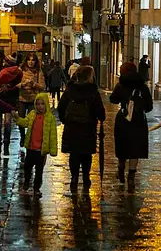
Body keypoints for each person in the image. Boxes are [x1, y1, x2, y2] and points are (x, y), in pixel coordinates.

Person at [58, 65, 106, 194]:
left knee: (74, 154)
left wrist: (66, 120)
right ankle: (85, 177)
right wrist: (99, 117)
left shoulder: (70, 90)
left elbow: (61, 107)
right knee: (86, 154)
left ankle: (74, 178)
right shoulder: (92, 91)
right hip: (87, 127)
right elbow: (100, 112)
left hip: (72, 126)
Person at [110, 62, 153, 187]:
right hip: (139, 120)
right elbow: (149, 106)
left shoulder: (120, 85)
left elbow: (113, 99)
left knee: (122, 147)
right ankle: (131, 177)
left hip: (123, 119)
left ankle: (121, 169)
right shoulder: (143, 87)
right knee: (136, 149)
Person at [13, 93, 58, 196]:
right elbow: (25, 123)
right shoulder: (32, 114)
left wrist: (52, 150)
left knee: (39, 171)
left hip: (41, 150)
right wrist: (17, 119)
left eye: (42, 104)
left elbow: (53, 135)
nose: (40, 106)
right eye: (37, 104)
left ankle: (36, 188)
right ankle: (26, 185)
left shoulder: (49, 118)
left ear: (46, 104)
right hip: (31, 148)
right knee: (27, 168)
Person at [17, 53, 46, 159]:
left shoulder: (39, 72)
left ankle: (29, 140)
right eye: (29, 60)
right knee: (20, 119)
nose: (30, 62)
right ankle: (22, 136)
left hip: (33, 100)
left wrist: (34, 84)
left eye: (33, 60)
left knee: (31, 121)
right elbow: (15, 84)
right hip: (22, 99)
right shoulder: (21, 71)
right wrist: (22, 84)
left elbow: (42, 86)